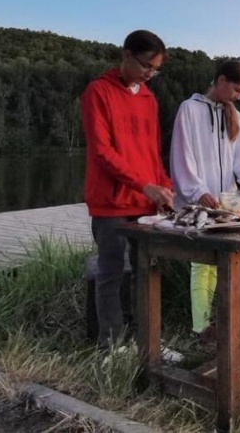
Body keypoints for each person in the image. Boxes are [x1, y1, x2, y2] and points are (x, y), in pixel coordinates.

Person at [80, 30, 176, 353]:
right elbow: (103, 152)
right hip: (111, 203)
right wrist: (144, 185)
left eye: (155, 69)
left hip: (145, 202)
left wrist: (164, 186)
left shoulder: (149, 98)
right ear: (126, 55)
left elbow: (153, 151)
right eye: (146, 65)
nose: (150, 74)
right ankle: (112, 348)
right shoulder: (98, 92)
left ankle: (148, 343)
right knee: (112, 273)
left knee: (147, 273)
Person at [169, 59, 240, 346]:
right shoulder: (189, 109)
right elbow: (181, 154)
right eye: (237, 89)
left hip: (224, 203)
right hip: (197, 202)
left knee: (216, 263)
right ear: (221, 80)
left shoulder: (235, 116)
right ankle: (201, 327)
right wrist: (195, 190)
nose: (239, 96)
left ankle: (211, 321)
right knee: (200, 264)